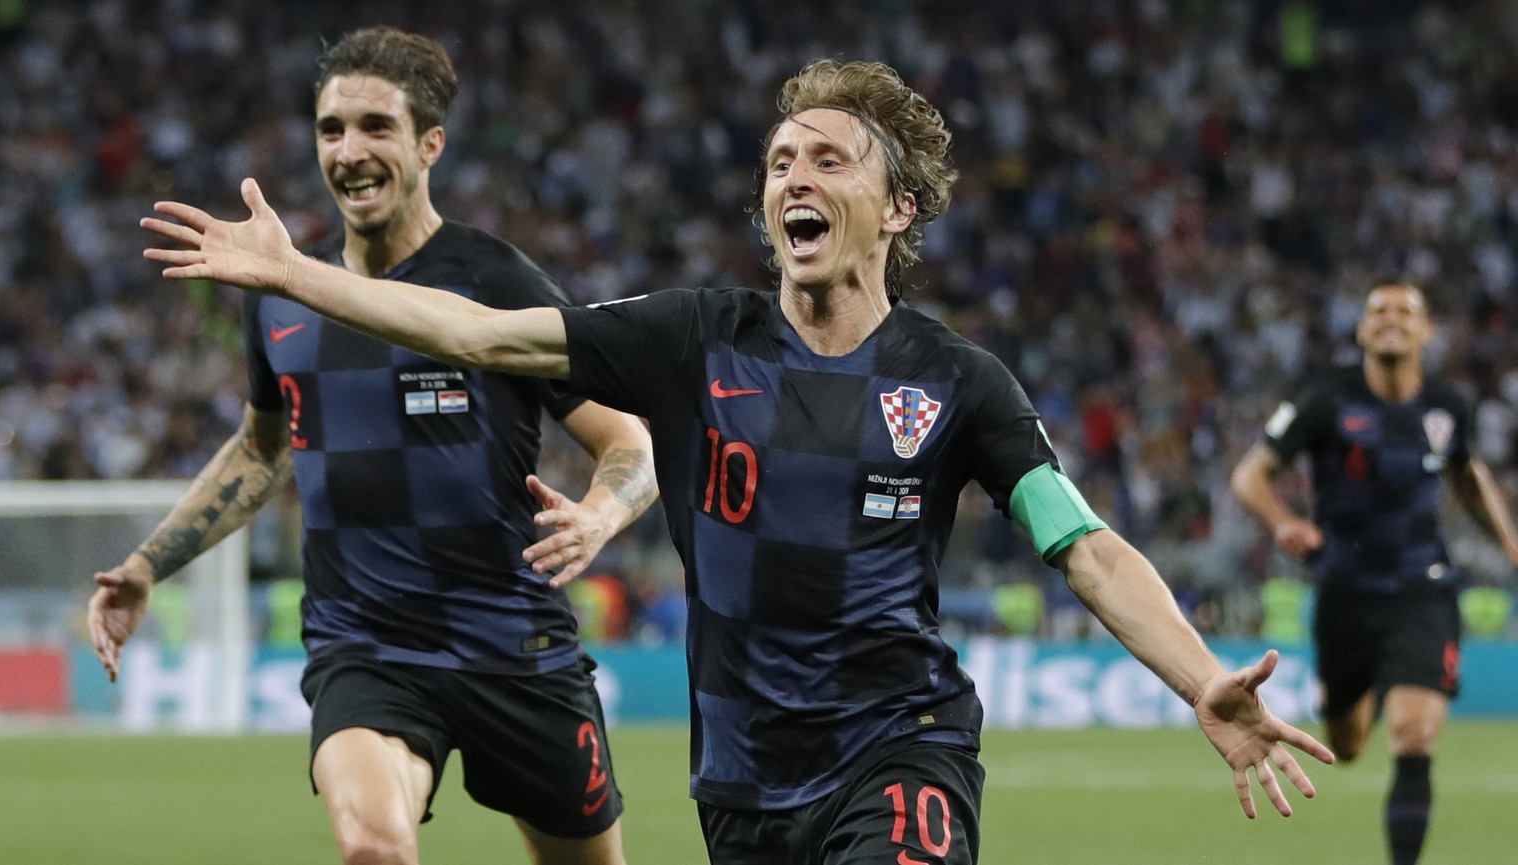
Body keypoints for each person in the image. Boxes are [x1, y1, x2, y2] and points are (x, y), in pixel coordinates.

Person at [141, 58, 1333, 864]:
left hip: (899, 742)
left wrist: (1199, 677)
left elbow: (1086, 547)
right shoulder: (691, 336)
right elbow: (479, 332)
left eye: (828, 159)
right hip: (744, 784)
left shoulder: (961, 383)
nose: (793, 180)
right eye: (777, 163)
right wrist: (294, 274)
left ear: (899, 208)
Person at [91, 26, 657, 865]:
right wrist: (146, 562)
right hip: (368, 647)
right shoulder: (279, 298)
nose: (350, 150)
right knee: (374, 847)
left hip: (515, 645)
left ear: (431, 143)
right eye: (331, 129)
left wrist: (602, 515)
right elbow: (259, 449)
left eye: (376, 127)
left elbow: (627, 440)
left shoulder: (494, 281)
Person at [1230, 281, 1518, 865]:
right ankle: (1375, 685)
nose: (1392, 319)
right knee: (1351, 744)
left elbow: (1466, 475)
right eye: (1379, 311)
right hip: (1345, 590)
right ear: (1361, 331)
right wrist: (1283, 521)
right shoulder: (1326, 397)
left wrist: (1511, 545)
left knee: (1414, 737)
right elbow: (1249, 476)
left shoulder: (1447, 405)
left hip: (1422, 586)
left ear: (1427, 332)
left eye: (1406, 311)